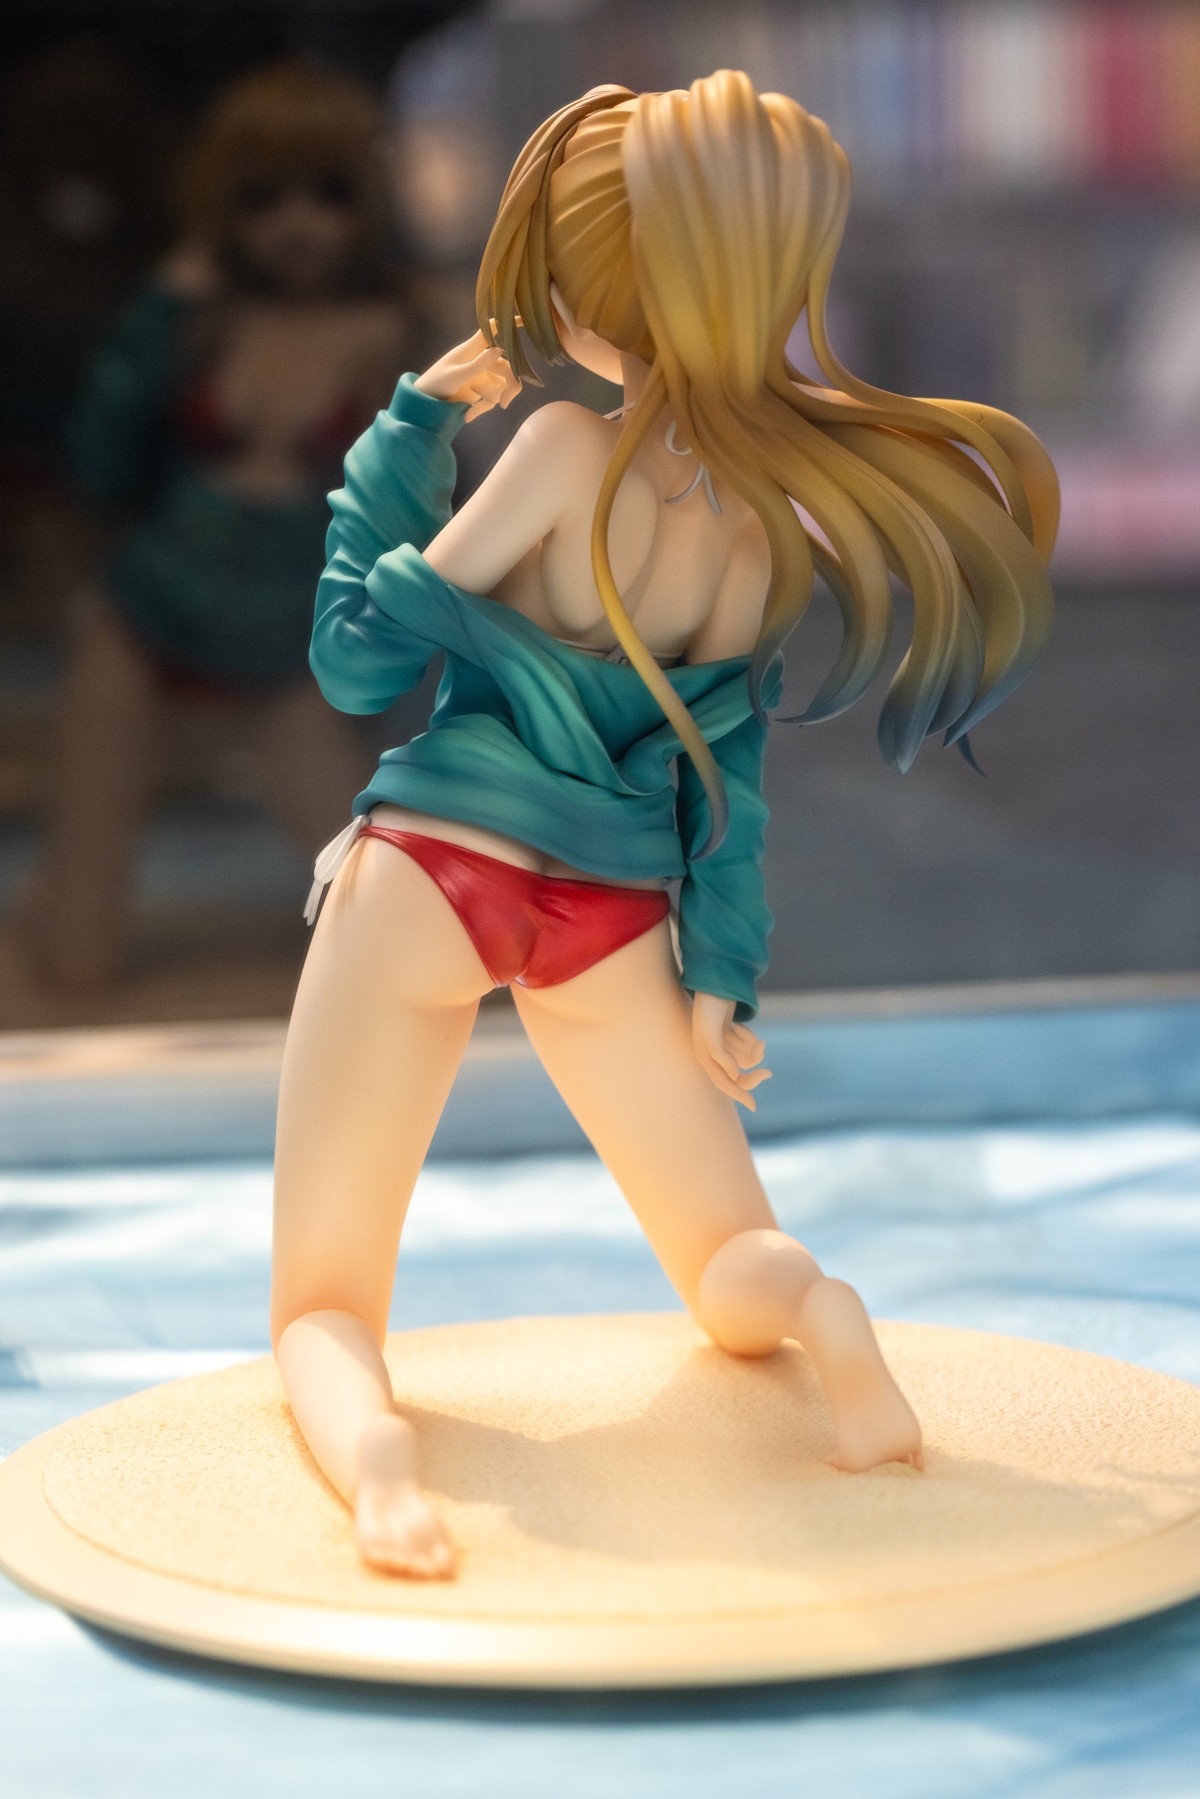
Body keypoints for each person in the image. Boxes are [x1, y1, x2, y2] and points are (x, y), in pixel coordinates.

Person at [271, 73, 1059, 1577]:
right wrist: (721, 978)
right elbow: (727, 777)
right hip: (615, 912)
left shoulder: (564, 454)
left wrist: (411, 428)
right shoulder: (761, 533)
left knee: (323, 1303)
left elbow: (358, 658)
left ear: (590, 291)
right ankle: (830, 1321)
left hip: (433, 872)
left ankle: (379, 1473)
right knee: (727, 1267)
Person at [34, 62, 407, 988]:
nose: (296, 223)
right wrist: (158, 314)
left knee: (382, 919)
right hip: (145, 614)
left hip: (282, 646)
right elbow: (97, 462)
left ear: (364, 198)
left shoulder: (394, 331)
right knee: (77, 948)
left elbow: (418, 521)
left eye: (327, 192)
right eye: (262, 197)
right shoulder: (198, 316)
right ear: (223, 206)